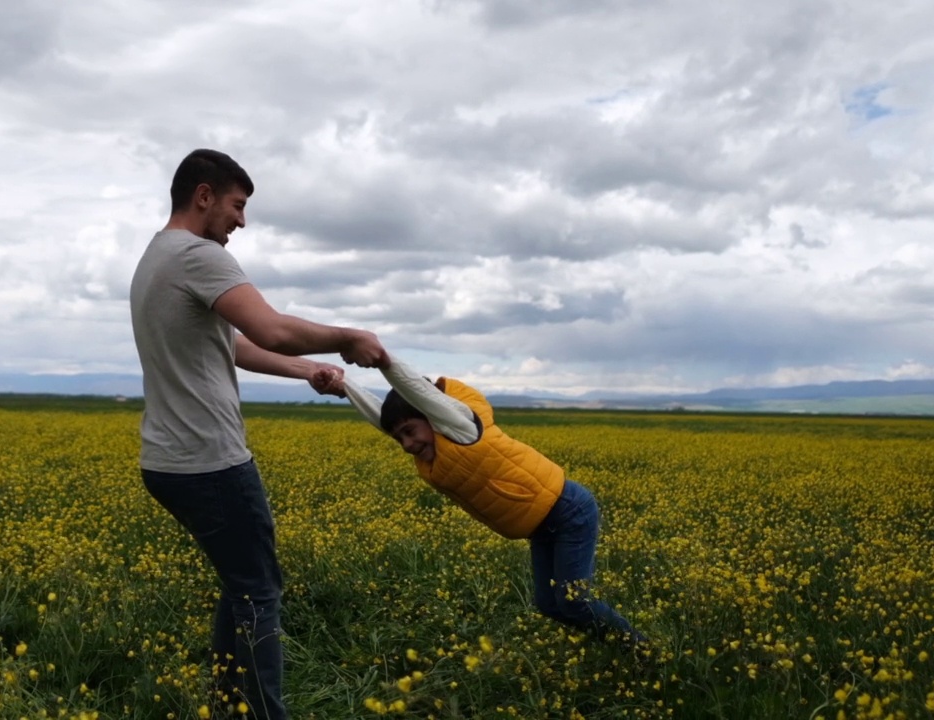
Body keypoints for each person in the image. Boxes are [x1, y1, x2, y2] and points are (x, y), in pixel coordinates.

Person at [129, 148, 386, 719]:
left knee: (242, 584)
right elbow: (269, 326)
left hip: (168, 460)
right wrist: (345, 337)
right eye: (237, 206)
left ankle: (228, 708)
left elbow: (239, 346)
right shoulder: (199, 255)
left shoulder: (158, 255)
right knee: (259, 592)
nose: (241, 221)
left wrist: (307, 371)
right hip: (211, 461)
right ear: (204, 195)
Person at [326, 355, 647, 651]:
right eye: (400, 439)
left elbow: (416, 390)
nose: (408, 444)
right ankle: (607, 645)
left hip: (568, 511)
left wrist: (383, 360)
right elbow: (381, 419)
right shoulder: (433, 450)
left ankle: (639, 648)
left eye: (410, 431)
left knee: (574, 601)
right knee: (550, 605)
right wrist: (346, 387)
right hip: (542, 525)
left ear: (433, 416)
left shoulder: (460, 427)